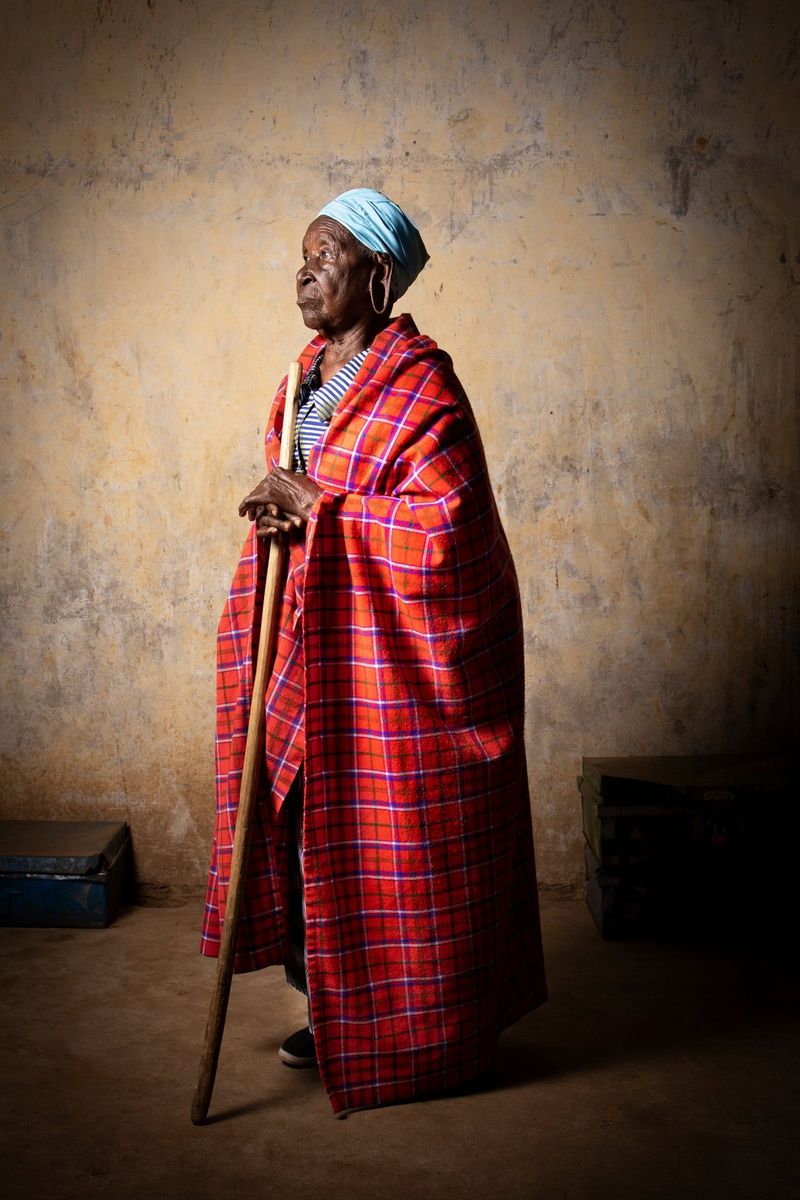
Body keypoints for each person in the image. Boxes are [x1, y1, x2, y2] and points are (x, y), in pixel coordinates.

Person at [201, 188, 547, 1116]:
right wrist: (280, 511)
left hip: (393, 662)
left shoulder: (425, 388)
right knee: (306, 829)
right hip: (309, 641)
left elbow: (445, 533)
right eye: (302, 254)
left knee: (399, 840)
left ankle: (436, 1033)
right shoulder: (299, 383)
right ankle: (332, 1011)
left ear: (380, 278)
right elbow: (300, 491)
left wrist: (319, 509)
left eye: (327, 255)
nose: (304, 271)